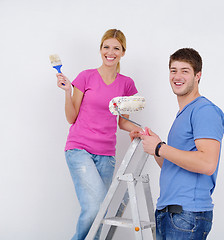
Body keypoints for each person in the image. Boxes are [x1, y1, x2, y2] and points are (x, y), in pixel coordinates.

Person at [56, 29, 142, 240]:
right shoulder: (86, 77)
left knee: (100, 215)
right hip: (79, 149)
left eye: (116, 48)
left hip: (106, 155)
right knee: (95, 207)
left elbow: (123, 121)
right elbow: (71, 117)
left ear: (123, 52)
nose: (110, 52)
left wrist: (137, 129)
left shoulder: (126, 84)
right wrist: (68, 92)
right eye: (106, 47)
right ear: (100, 49)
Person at [140, 48, 224, 239]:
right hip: (170, 213)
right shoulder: (184, 113)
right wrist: (156, 147)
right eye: (173, 70)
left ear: (198, 75)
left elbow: (207, 163)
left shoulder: (204, 110)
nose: (177, 76)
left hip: (187, 214)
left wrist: (160, 148)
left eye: (184, 70)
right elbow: (173, 165)